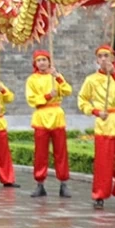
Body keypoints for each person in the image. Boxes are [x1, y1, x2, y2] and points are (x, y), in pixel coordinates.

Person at [78, 45, 115, 210]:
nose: (104, 59)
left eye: (107, 55)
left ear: (113, 58)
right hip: (104, 122)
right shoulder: (91, 80)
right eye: (101, 56)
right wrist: (95, 111)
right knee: (103, 162)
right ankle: (99, 195)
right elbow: (82, 99)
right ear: (97, 60)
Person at [26, 50, 73, 198]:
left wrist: (58, 77)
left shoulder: (56, 76)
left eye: (44, 60)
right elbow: (31, 99)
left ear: (49, 61)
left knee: (61, 151)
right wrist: (47, 96)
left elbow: (67, 91)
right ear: (35, 63)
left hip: (57, 115)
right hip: (41, 116)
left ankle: (63, 183)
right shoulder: (32, 80)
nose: (42, 63)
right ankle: (40, 183)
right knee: (40, 152)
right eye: (38, 60)